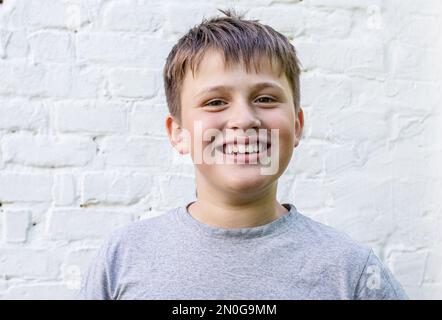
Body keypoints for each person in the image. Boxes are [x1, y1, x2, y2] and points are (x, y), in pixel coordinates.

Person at [76, 9, 408, 300]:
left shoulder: (351, 272)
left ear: (296, 124)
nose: (245, 120)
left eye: (265, 99)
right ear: (178, 134)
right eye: (215, 102)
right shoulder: (122, 259)